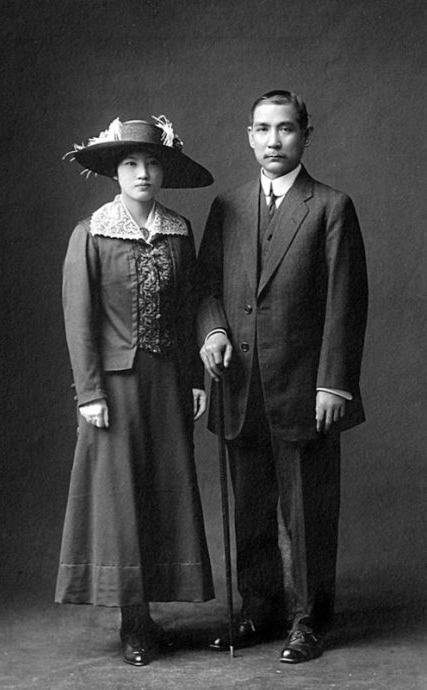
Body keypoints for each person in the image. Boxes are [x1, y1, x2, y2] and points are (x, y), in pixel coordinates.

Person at [196, 90, 368, 663]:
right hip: (240, 387)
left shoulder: (330, 206)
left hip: (304, 388)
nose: (274, 140)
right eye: (263, 129)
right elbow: (207, 288)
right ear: (249, 136)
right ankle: (259, 610)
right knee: (250, 508)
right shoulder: (227, 207)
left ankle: (308, 619)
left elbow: (346, 299)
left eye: (286, 129)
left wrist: (333, 382)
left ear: (305, 135)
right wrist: (213, 333)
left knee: (307, 511)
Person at [55, 115, 215, 667]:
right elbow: (79, 320)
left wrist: (193, 380)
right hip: (115, 387)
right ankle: (134, 621)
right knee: (121, 498)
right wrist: (89, 393)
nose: (142, 173)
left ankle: (151, 612)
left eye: (151, 163)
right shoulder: (91, 233)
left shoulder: (178, 232)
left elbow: (190, 308)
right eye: (130, 163)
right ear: (114, 172)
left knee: (162, 492)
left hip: (167, 383)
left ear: (164, 171)